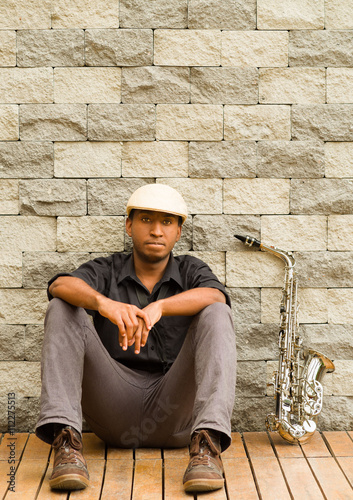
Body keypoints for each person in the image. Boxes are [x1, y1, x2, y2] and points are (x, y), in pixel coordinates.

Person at [35, 183, 236, 493]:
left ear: (178, 232)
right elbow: (59, 285)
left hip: (174, 411)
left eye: (166, 222)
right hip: (112, 409)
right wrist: (104, 303)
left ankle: (208, 448)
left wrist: (160, 307)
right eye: (146, 220)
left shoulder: (191, 271)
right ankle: (66, 446)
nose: (156, 231)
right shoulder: (107, 270)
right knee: (63, 307)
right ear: (129, 225)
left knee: (216, 312)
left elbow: (215, 295)